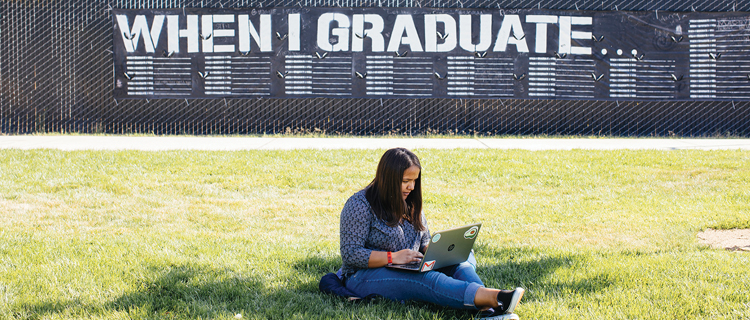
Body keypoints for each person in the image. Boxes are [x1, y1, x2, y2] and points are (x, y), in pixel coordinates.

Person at [336, 147, 524, 319]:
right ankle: (496, 298)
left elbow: (424, 239)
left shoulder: (409, 201)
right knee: (427, 279)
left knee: (461, 263)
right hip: (363, 276)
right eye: (405, 181)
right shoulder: (359, 205)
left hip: (409, 265)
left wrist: (436, 251)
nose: (411, 187)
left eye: (414, 181)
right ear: (388, 179)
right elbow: (351, 255)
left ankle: (486, 310)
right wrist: (393, 258)